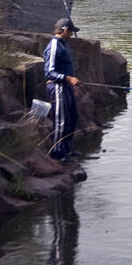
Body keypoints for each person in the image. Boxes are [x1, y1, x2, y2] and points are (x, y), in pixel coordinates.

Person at [43, 17, 81, 161]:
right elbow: (49, 72)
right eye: (71, 31)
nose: (71, 34)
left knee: (72, 118)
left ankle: (67, 150)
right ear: (64, 30)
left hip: (66, 86)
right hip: (57, 86)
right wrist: (68, 78)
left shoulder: (64, 44)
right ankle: (57, 153)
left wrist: (72, 80)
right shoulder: (54, 46)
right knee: (61, 120)